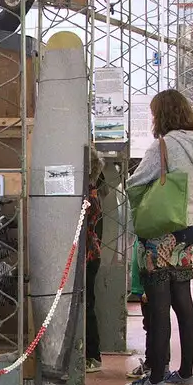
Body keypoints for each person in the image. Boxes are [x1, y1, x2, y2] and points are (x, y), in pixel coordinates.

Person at [124, 89, 193, 385]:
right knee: (183, 302)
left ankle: (156, 378)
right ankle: (185, 374)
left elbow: (135, 182)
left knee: (158, 306)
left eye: (155, 112)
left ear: (164, 115)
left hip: (160, 231)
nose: (153, 118)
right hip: (186, 227)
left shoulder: (163, 146)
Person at [84, 153, 104, 373]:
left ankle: (93, 355)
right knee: (88, 304)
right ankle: (91, 353)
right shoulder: (93, 193)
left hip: (86, 257)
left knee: (86, 306)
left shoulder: (86, 197)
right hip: (92, 255)